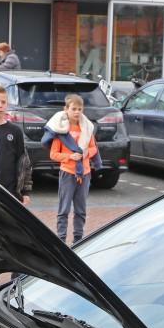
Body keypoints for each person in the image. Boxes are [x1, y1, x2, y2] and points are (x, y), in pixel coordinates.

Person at [46, 93, 99, 243]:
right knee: (64, 209)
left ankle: (78, 240)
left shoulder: (87, 128)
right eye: (74, 109)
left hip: (85, 173)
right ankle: (61, 239)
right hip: (68, 173)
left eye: (80, 109)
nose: (77, 112)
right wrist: (69, 157)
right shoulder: (61, 130)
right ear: (66, 109)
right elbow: (53, 154)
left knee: (81, 210)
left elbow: (94, 148)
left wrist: (86, 153)